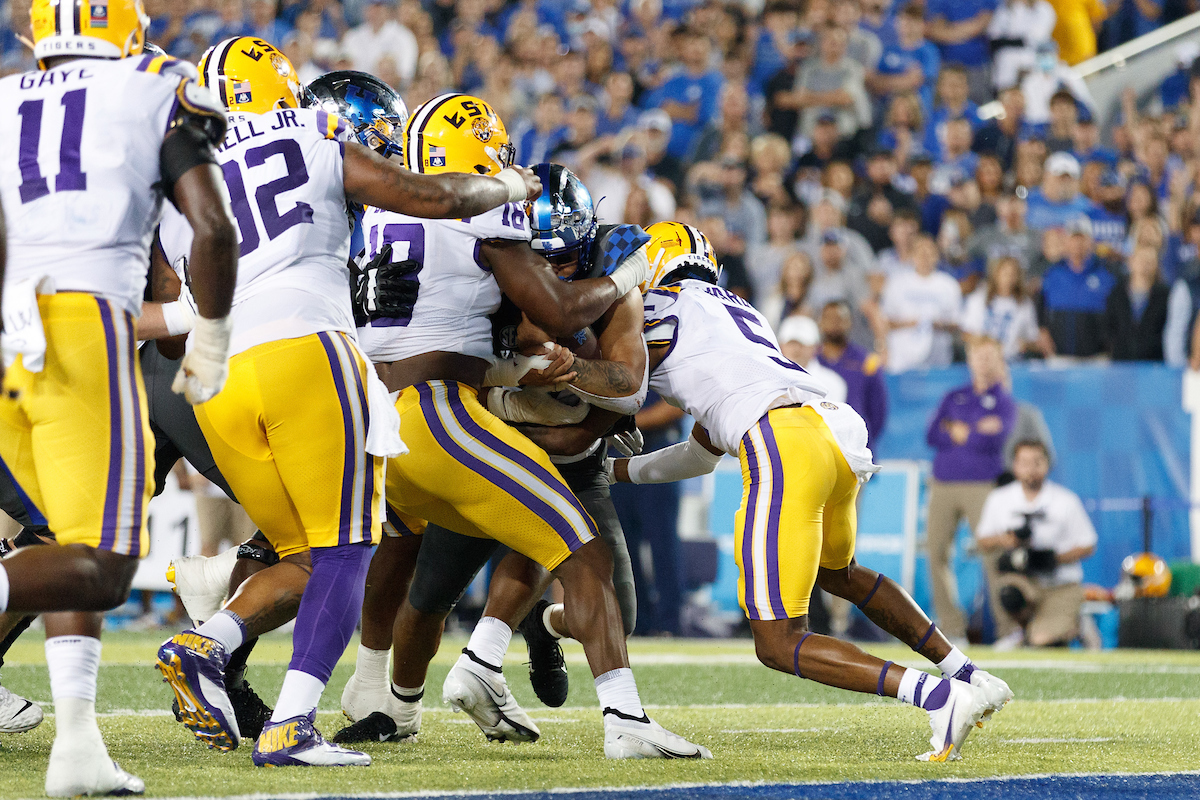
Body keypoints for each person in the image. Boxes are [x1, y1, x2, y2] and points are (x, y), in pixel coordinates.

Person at [154, 44, 543, 768]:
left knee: (303, 557)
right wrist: (508, 184)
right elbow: (436, 199)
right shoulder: (310, 133)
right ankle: (292, 727)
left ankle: (206, 645)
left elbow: (172, 306)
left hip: (218, 376)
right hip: (304, 349)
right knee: (351, 547)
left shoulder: (180, 169)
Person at [345, 100, 707, 759]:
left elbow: (623, 388)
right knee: (558, 546)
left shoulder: (389, 208)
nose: (557, 266)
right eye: (545, 258)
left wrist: (560, 375)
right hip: (450, 420)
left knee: (379, 554)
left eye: (570, 258)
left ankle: (377, 693)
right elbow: (553, 305)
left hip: (391, 417)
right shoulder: (491, 220)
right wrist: (521, 365)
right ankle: (621, 719)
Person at [603, 222, 1012, 762]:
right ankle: (968, 674)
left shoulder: (655, 309)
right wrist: (618, 472)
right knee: (836, 572)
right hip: (831, 433)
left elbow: (612, 377)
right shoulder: (735, 311)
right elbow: (703, 451)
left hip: (781, 443)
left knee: (777, 641)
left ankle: (939, 697)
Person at [0, 4, 239, 794]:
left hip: (10, 326)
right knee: (106, 564)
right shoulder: (153, 86)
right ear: (129, 32)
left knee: (66, 540)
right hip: (80, 325)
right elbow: (213, 228)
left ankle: (76, 744)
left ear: (39, 35)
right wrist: (210, 331)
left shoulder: (5, 94)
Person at [924, 338, 1017, 644]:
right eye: (979, 355)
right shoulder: (955, 395)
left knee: (992, 553)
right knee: (936, 552)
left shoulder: (1003, 400)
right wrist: (974, 429)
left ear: (999, 361)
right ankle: (951, 628)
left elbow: (996, 438)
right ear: (970, 360)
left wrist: (960, 429)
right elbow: (932, 434)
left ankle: (1007, 629)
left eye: (990, 356)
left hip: (982, 485)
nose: (983, 361)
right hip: (943, 482)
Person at [975, 440, 1097, 649]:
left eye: (1037, 462)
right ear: (1014, 465)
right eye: (1024, 462)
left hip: (1059, 584)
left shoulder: (1065, 500)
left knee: (1042, 641)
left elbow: (1088, 544)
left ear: (1047, 465)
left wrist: (1052, 559)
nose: (1030, 469)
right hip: (1025, 581)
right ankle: (1019, 630)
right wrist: (1007, 540)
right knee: (1008, 592)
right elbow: (983, 540)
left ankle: (1074, 625)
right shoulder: (1000, 498)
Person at [1036, 215, 1115, 358]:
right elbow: (1040, 307)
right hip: (1060, 357)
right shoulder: (1052, 273)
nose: (1078, 244)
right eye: (1073, 239)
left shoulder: (1107, 274)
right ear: (1066, 242)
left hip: (1097, 358)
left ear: (1091, 242)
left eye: (1083, 238)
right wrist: (1042, 332)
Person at [881, 235, 963, 372]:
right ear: (913, 255)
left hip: (938, 358)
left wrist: (937, 324)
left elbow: (957, 323)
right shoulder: (897, 283)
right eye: (920, 252)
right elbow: (885, 321)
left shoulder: (949, 285)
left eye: (929, 252)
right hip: (902, 359)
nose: (925, 256)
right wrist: (911, 323)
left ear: (937, 256)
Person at [817, 301, 889, 447]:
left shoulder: (867, 362)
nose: (834, 323)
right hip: (821, 445)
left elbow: (878, 411)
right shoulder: (810, 361)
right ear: (820, 322)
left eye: (839, 319)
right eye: (829, 318)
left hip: (857, 446)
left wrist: (863, 438)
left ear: (849, 322)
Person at [961, 256, 1040, 359]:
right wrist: (985, 343)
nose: (1008, 278)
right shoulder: (978, 299)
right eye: (1004, 273)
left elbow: (1033, 338)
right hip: (983, 360)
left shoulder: (1025, 304)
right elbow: (966, 333)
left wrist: (1025, 345)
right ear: (995, 274)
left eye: (1013, 274)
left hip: (1013, 360)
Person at [1105, 246, 1170, 361]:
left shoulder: (1165, 295)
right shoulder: (1116, 293)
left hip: (1153, 363)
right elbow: (1109, 325)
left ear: (1156, 265)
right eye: (1141, 260)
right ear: (1131, 262)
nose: (1144, 265)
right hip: (1121, 362)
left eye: (1149, 262)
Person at [341, 0, 419, 89]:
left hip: (392, 92)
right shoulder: (352, 37)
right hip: (357, 91)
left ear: (388, 9)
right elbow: (344, 70)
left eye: (379, 6)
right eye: (371, 6)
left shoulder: (404, 36)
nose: (375, 11)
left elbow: (406, 74)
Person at [778, 316, 848, 403]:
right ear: (781, 345)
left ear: (816, 347)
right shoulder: (769, 379)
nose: (796, 349)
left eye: (802, 344)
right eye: (791, 343)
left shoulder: (832, 383)